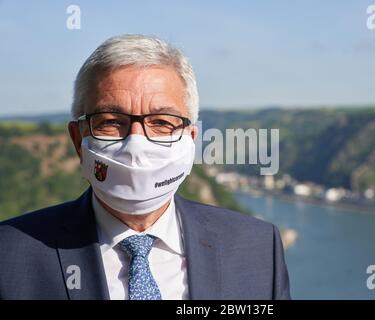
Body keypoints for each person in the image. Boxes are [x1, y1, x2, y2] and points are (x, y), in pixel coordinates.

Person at [0, 34, 290, 300]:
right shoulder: (10, 254)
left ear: (190, 139)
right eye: (111, 122)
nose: (136, 144)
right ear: (78, 139)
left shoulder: (258, 248)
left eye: (161, 122)